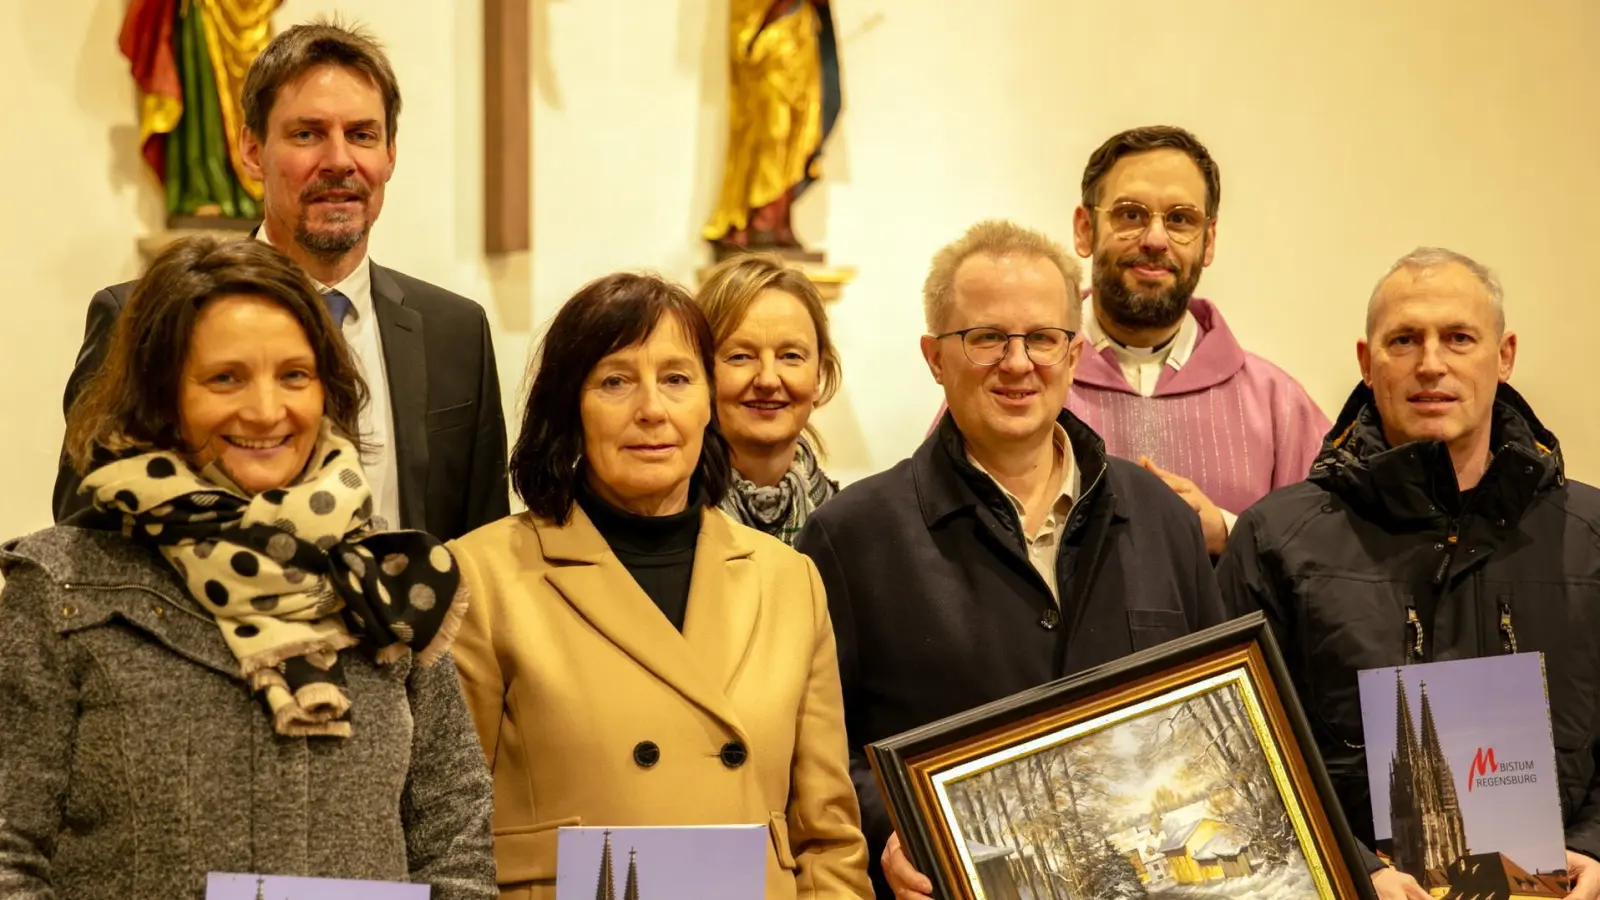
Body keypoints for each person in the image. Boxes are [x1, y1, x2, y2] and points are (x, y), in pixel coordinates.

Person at [0, 236, 496, 899]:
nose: (266, 411)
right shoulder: (61, 587)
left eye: (295, 375)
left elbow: (455, 835)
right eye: (225, 378)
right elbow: (9, 855)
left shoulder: (383, 576)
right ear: (159, 393)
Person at [795, 220, 1230, 900]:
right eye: (987, 338)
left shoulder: (1162, 520)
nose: (1018, 362)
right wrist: (890, 831)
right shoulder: (852, 539)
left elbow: (1222, 713)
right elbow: (820, 754)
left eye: (1042, 338)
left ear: (1075, 352)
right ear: (934, 357)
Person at [447, 272, 872, 900]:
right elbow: (447, 831)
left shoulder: (789, 579)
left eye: (676, 379)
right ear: (570, 406)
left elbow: (828, 837)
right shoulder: (484, 576)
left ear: (708, 402)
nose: (651, 409)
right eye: (615, 381)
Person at [1217, 248, 1600, 900]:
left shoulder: (1591, 536)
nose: (1430, 363)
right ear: (1367, 363)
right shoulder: (1275, 539)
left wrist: (1595, 848)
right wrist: (1356, 868)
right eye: (1404, 340)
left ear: (1503, 356)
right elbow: (1234, 750)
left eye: (1458, 338)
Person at [56, 18, 509, 541]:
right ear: (251, 150)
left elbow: (483, 546)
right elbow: (86, 539)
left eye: (362, 135)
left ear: (389, 154)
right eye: (307, 134)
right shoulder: (142, 319)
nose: (339, 161)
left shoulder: (455, 331)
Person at [696, 252, 843, 545]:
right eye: (740, 356)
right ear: (700, 371)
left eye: (791, 356)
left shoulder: (851, 526)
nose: (767, 379)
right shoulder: (663, 519)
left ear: (818, 375)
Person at [702, 0, 841, 253]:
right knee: (771, 133)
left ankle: (779, 219)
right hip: (770, 38)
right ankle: (762, 217)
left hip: (800, 35)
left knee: (798, 133)